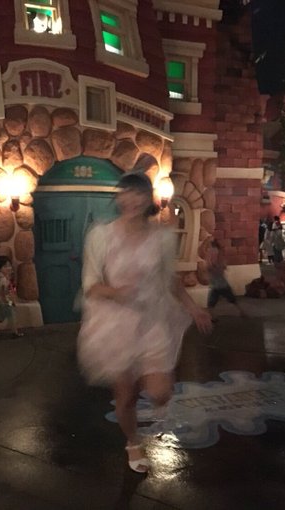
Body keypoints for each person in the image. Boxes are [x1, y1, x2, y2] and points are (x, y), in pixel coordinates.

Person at [77, 172, 212, 474]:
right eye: (125, 192)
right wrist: (116, 292)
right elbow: (90, 285)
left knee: (160, 392)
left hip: (152, 320)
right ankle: (133, 442)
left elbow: (170, 280)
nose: (131, 199)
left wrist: (194, 308)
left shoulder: (161, 238)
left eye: (138, 193)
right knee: (126, 398)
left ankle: (157, 400)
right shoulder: (101, 236)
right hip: (114, 324)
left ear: (147, 198)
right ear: (119, 197)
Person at [205, 239, 246, 318]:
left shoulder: (212, 251)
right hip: (220, 283)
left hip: (217, 283)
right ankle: (241, 312)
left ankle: (212, 316)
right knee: (231, 299)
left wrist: (212, 268)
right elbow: (222, 265)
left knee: (211, 302)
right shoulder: (218, 252)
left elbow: (211, 264)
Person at [0, 255, 24, 337]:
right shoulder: (1, 278)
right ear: (0, 268)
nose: (8, 268)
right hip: (5, 301)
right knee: (11, 315)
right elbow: (6, 289)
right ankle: (15, 332)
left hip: (2, 301)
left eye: (9, 266)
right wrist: (11, 301)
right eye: (5, 266)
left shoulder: (2, 277)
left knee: (1, 316)